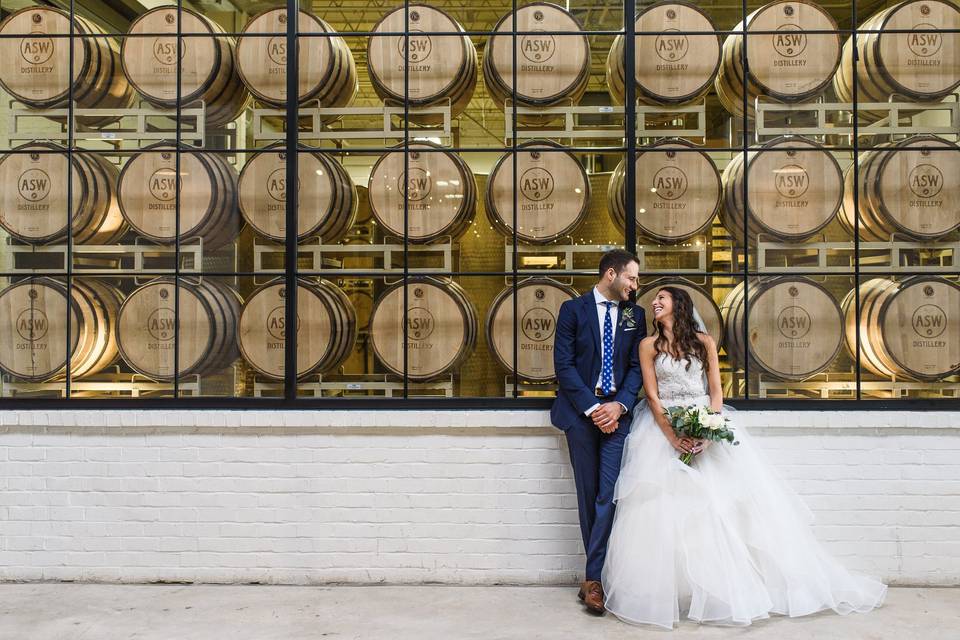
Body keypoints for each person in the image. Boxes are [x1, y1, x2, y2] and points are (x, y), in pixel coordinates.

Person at [602, 286, 887, 628]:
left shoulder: (704, 342)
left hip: (703, 422)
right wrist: (673, 436)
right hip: (662, 431)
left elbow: (716, 390)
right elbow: (651, 394)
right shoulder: (648, 346)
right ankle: (663, 594)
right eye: (654, 300)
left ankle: (727, 590)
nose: (655, 302)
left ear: (679, 305)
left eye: (662, 298)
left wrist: (708, 431)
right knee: (662, 512)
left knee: (721, 511)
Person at [550, 249, 646, 615]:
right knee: (588, 493)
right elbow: (564, 365)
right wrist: (593, 408)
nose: (636, 286)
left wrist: (618, 405)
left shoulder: (634, 316)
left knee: (610, 494)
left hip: (617, 417)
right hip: (580, 415)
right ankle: (595, 580)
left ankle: (593, 580)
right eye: (632, 278)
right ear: (611, 274)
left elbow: (637, 367)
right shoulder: (572, 311)